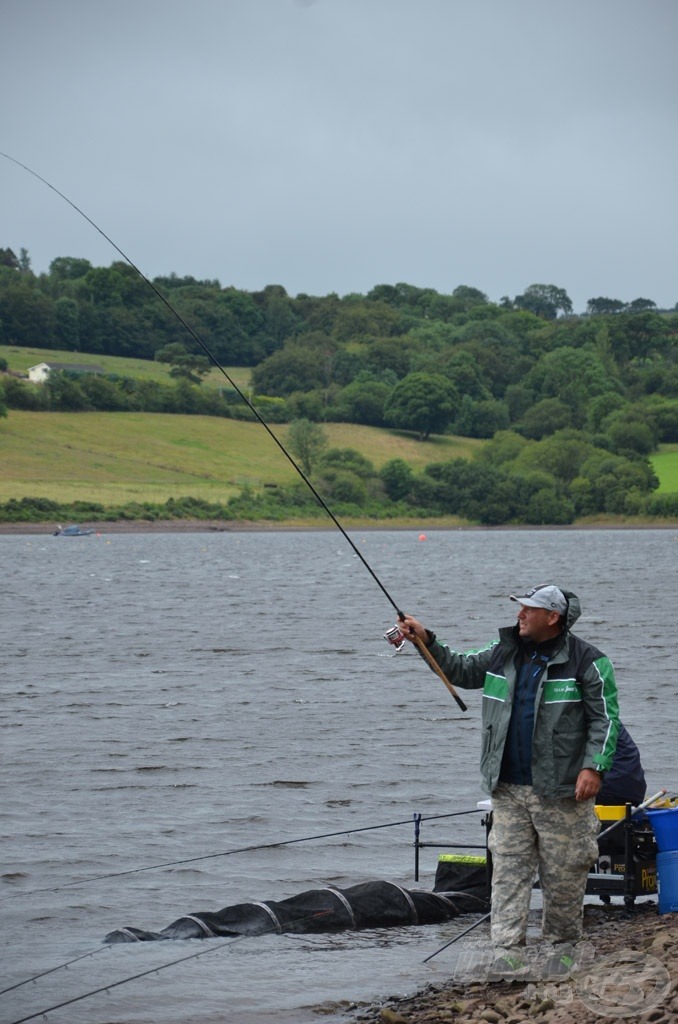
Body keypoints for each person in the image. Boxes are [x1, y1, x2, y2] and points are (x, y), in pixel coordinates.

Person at [399, 583, 620, 968]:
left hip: (563, 792)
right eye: (520, 608)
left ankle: (561, 952)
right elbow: (460, 669)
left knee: (564, 876)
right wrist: (425, 639)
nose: (519, 614)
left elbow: (606, 719)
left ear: (552, 617)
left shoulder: (589, 662)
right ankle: (507, 954)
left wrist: (594, 767)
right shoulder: (503, 651)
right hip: (507, 788)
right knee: (507, 873)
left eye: (528, 609)